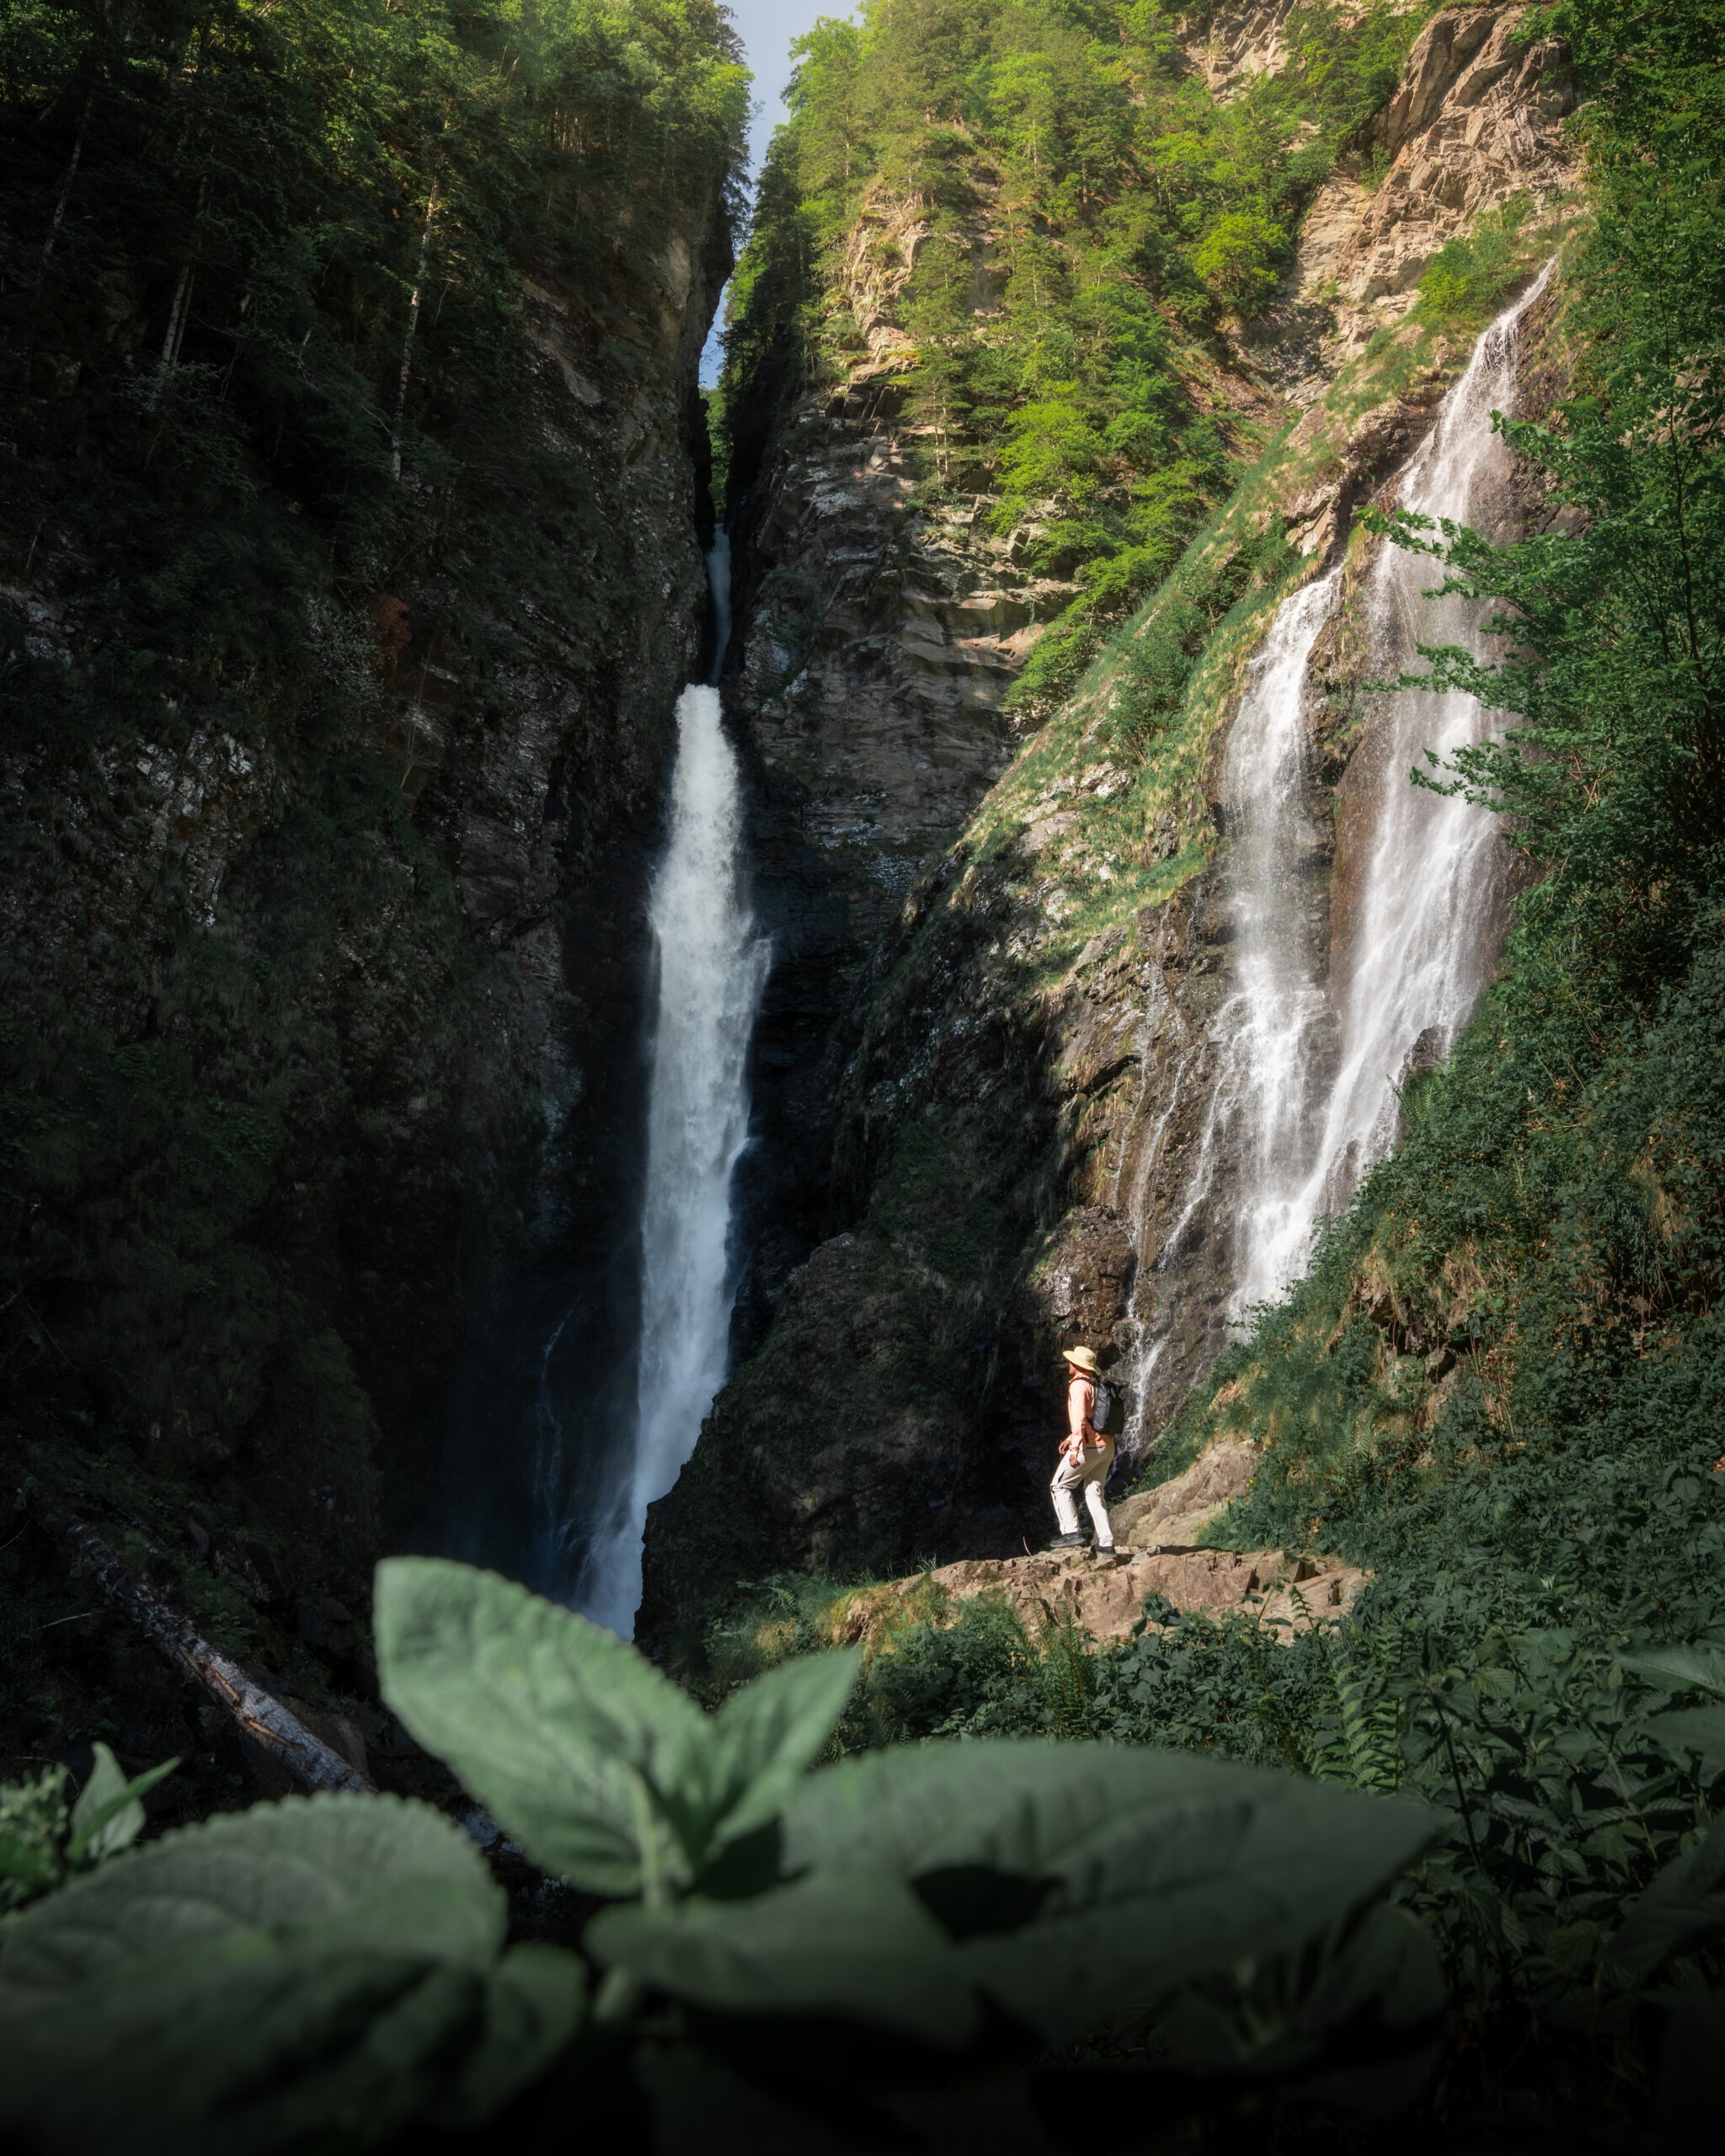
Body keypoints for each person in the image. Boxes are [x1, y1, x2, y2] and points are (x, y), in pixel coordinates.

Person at [1048, 1344, 1115, 1559]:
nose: (1068, 1364)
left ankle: (1071, 1532)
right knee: (1093, 1493)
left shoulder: (1078, 1385)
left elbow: (1079, 1417)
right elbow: (1093, 1418)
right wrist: (1071, 1438)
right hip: (1107, 1447)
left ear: (1077, 1365)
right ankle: (1106, 1543)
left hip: (1089, 1447)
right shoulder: (1095, 1384)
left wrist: (1075, 1447)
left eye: (1071, 1362)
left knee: (1059, 1485)